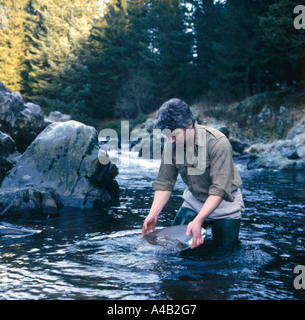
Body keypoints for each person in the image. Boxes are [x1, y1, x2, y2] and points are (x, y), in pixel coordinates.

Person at [142, 98, 245, 249]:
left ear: (189, 125)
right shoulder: (172, 144)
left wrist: (199, 220)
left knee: (225, 255)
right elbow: (165, 183)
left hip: (225, 202)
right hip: (195, 201)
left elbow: (219, 189)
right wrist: (154, 214)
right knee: (173, 247)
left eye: (174, 135)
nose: (170, 141)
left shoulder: (218, 143)